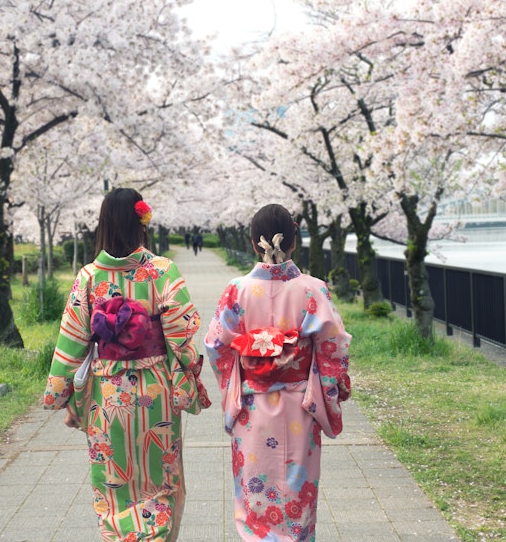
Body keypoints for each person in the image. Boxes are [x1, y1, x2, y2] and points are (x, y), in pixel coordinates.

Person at [44, 188, 211, 542]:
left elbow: (71, 343)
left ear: (103, 225)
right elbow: (182, 337)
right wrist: (190, 380)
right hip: (157, 393)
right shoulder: (164, 271)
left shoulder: (88, 277)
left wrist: (60, 394)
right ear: (142, 223)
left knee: (113, 485)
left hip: (107, 397)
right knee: (160, 483)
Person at [204, 204, 351, 542]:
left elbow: (215, 346)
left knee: (254, 493)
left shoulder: (236, 290)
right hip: (301, 404)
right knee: (297, 496)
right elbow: (334, 349)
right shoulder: (313, 289)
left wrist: (239, 380)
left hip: (252, 409)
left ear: (254, 243)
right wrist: (329, 388)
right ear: (295, 241)